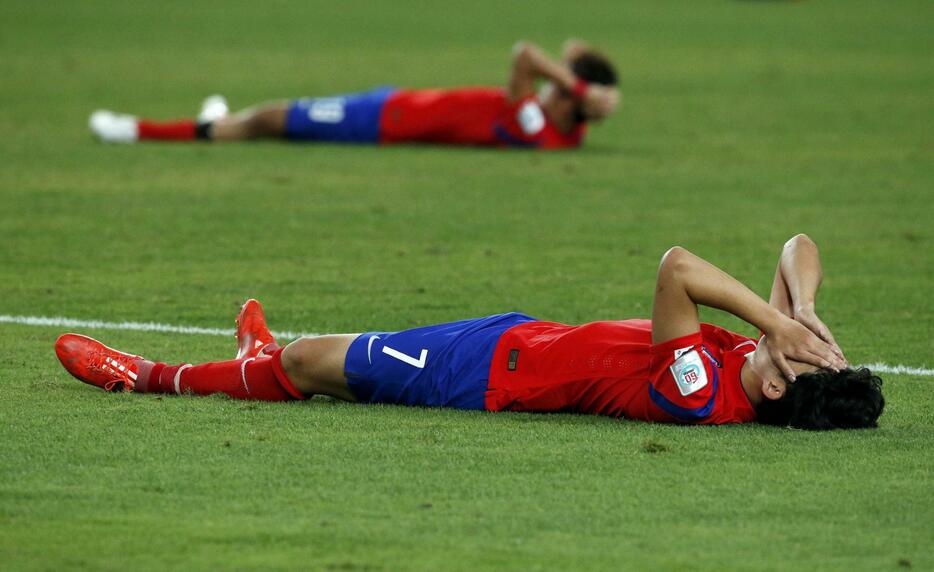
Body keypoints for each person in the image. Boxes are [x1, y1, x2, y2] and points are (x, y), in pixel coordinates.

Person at [55, 235, 884, 430]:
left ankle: (149, 375)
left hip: (487, 376)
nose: (809, 349)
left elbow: (676, 268)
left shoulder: (698, 393)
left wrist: (778, 321)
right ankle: (252, 361)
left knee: (312, 363)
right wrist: (803, 316)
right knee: (332, 352)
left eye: (807, 359)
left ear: (779, 386)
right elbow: (796, 247)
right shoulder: (766, 367)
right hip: (511, 338)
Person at [88, 40, 619, 150]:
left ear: (570, 98)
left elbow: (525, 54)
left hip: (382, 123)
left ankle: (138, 130)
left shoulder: (537, 129)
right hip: (391, 105)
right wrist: (588, 88)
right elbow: (555, 58)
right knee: (268, 116)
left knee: (270, 118)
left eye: (560, 86)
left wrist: (577, 85)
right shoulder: (566, 126)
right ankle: (219, 121)